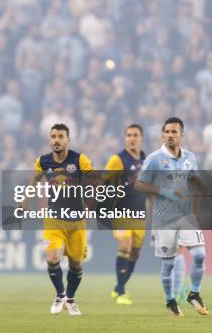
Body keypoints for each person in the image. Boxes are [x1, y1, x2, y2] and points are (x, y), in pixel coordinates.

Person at [135, 117, 210, 316]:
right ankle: (170, 300)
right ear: (163, 134)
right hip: (163, 219)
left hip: (186, 216)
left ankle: (194, 293)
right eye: (167, 132)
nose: (169, 135)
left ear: (181, 134)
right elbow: (139, 184)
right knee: (168, 264)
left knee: (200, 255)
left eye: (174, 132)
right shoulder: (154, 158)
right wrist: (163, 192)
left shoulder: (190, 157)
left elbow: (193, 180)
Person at [33, 123, 93, 316]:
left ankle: (71, 299)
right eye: (53, 136)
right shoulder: (43, 161)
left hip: (76, 220)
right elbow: (34, 179)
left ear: (68, 140)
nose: (56, 140)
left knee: (76, 264)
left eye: (60, 136)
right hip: (54, 219)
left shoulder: (79, 160)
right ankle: (60, 295)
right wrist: (25, 200)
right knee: (51, 259)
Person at [106, 124, 146, 305]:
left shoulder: (146, 159)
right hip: (121, 212)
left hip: (139, 215)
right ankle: (122, 292)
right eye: (128, 135)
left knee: (135, 253)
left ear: (141, 138)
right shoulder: (118, 160)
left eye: (135, 135)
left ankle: (118, 287)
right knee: (125, 245)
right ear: (125, 138)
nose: (131, 138)